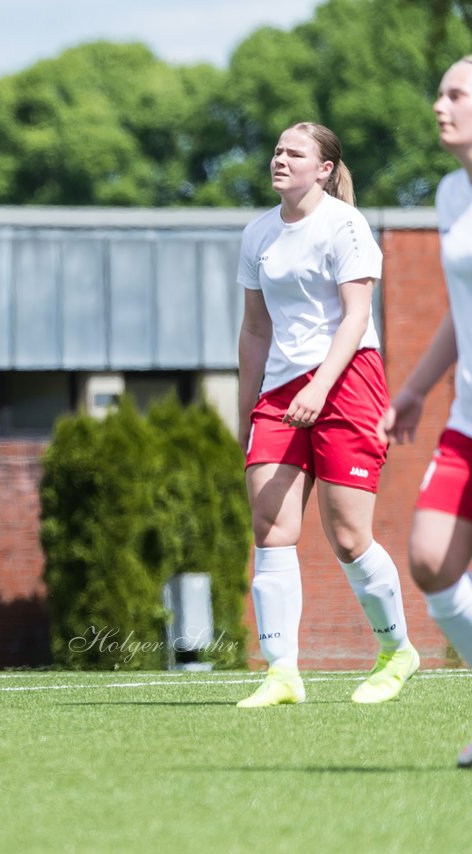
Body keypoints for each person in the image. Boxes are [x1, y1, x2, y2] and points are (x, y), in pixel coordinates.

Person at [235, 122, 419, 708]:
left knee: (347, 534)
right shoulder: (258, 234)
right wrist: (247, 410)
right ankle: (281, 673)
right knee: (270, 526)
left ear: (324, 168)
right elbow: (255, 328)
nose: (280, 159)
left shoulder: (346, 225)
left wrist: (319, 386)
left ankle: (397, 651)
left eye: (295, 152)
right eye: (277, 150)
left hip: (347, 381)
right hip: (280, 391)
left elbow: (356, 317)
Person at [378, 56, 472, 765]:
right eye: (439, 93)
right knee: (431, 559)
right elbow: (457, 311)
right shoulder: (448, 194)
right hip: (467, 414)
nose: (439, 105)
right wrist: (412, 386)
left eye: (456, 94)